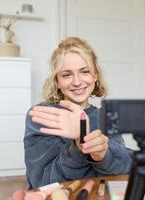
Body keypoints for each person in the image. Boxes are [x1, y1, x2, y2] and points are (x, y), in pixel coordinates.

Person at [24, 37, 132, 189]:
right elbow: (43, 182)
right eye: (67, 75)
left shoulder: (106, 117)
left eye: (85, 72)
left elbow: (125, 168)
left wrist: (102, 156)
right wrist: (78, 145)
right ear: (57, 82)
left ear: (95, 75)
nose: (77, 82)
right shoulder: (42, 115)